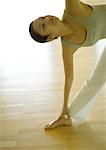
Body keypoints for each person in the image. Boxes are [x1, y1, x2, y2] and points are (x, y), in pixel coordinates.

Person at [29, 0, 106, 130]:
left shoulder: (72, 9)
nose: (47, 19)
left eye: (43, 18)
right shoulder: (68, 47)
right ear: (49, 37)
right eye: (43, 26)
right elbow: (69, 78)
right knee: (95, 80)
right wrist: (64, 108)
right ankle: (65, 117)